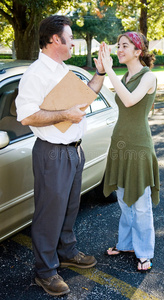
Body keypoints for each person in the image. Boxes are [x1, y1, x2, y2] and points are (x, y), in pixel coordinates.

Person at [16, 15, 106, 296]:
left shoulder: (61, 69)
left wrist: (101, 73)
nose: (72, 44)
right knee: (49, 214)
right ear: (55, 40)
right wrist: (65, 114)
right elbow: (27, 115)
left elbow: (87, 96)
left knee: (69, 208)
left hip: (73, 150)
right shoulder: (35, 74)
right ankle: (45, 272)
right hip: (51, 153)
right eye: (69, 38)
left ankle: (66, 252)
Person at [101, 32, 160, 272]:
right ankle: (126, 244)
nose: (119, 49)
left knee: (141, 203)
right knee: (124, 200)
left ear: (138, 51)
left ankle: (144, 253)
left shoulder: (148, 77)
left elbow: (129, 101)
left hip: (139, 147)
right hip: (120, 144)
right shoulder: (125, 76)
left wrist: (109, 70)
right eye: (118, 46)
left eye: (124, 46)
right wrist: (103, 70)